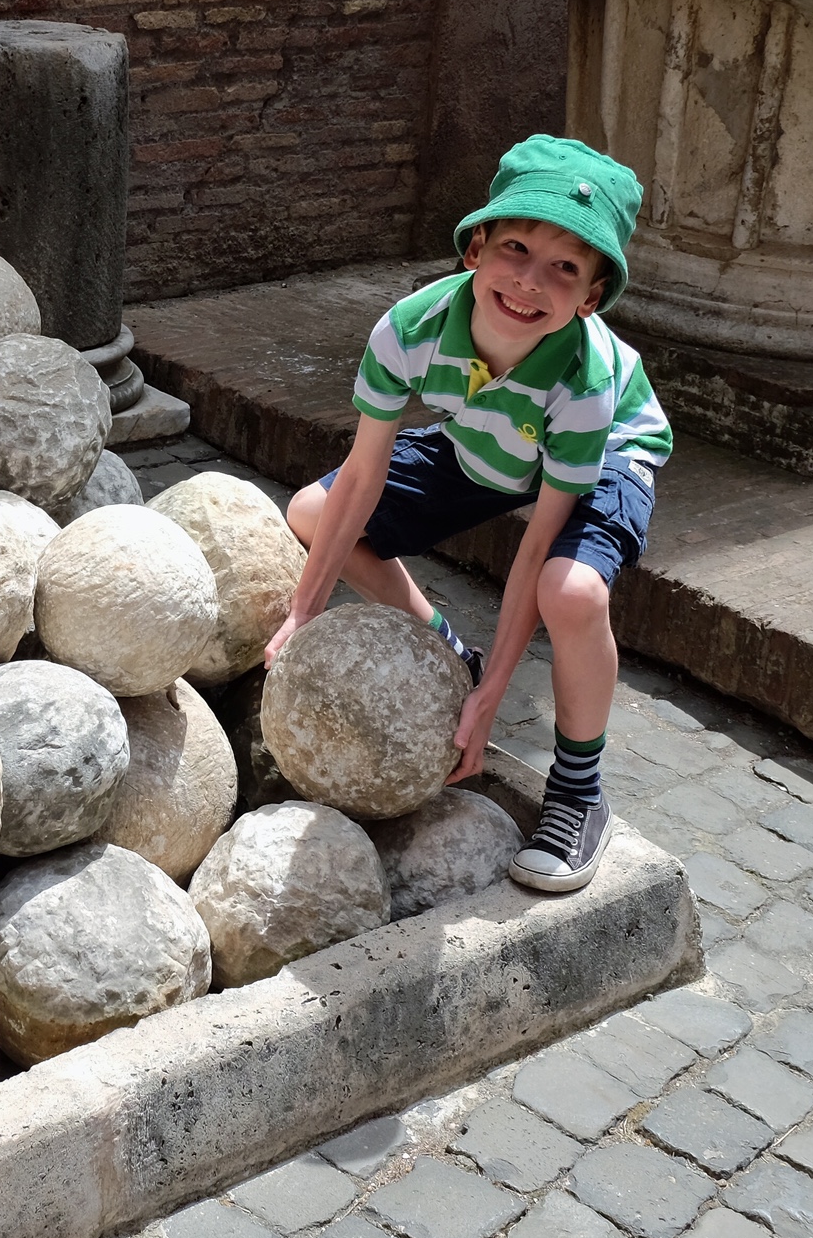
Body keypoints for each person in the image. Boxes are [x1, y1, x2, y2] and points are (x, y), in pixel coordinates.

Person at [261, 135, 671, 893]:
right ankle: (451, 648)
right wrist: (302, 611)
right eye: (515, 247)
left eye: (565, 268)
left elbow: (539, 538)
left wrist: (491, 701)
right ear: (474, 249)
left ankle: (579, 793)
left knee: (570, 590)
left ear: (588, 298)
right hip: (491, 434)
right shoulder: (409, 330)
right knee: (317, 513)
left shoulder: (585, 378)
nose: (529, 281)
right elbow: (361, 477)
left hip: (603, 450)